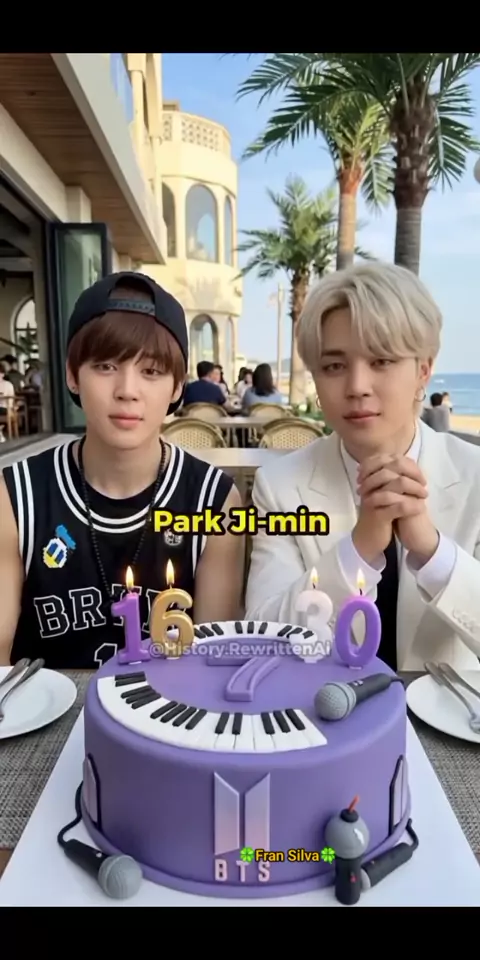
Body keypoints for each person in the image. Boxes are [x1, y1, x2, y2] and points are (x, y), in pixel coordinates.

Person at [0, 272, 244, 669]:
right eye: (105, 365)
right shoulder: (15, 497)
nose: (127, 390)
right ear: (72, 374)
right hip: (40, 707)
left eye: (152, 371)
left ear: (177, 387)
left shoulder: (214, 501)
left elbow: (211, 661)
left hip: (171, 705)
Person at [245, 261, 480, 672]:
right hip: (324, 705)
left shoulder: (474, 476)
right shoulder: (280, 487)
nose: (356, 387)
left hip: (450, 711)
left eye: (381, 360)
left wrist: (431, 550)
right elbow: (263, 637)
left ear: (423, 370)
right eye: (334, 366)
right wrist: (360, 547)